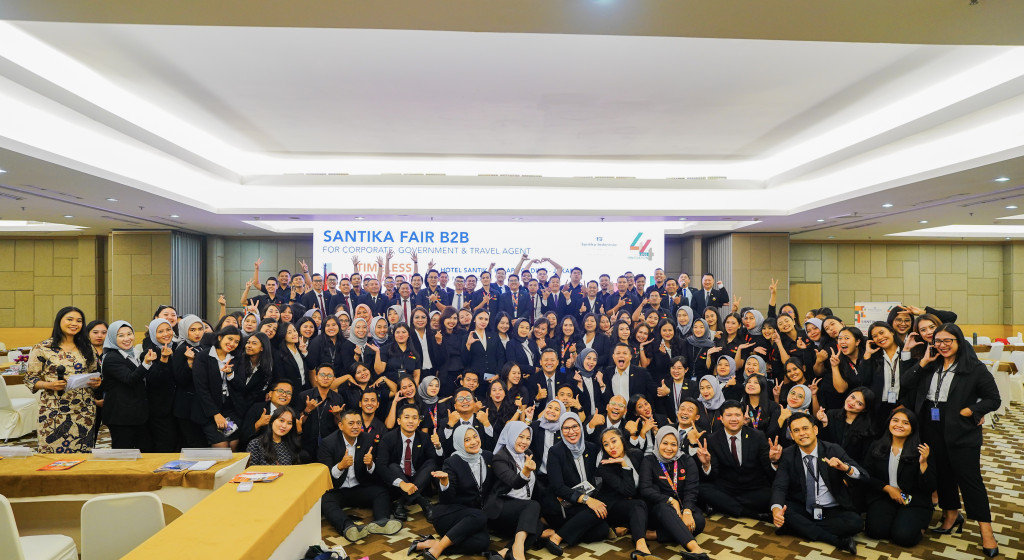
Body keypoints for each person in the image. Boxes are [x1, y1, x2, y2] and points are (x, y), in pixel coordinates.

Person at [902, 323, 1000, 556]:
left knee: (970, 479)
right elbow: (905, 383)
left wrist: (971, 411)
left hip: (960, 428)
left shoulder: (973, 368)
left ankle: (987, 532)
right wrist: (924, 361)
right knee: (942, 474)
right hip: (930, 424)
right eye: (938, 341)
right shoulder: (931, 364)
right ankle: (951, 515)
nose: (943, 345)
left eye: (948, 340)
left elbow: (993, 399)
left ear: (959, 342)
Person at [770, 412, 865, 555]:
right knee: (782, 510)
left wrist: (846, 468)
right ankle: (835, 540)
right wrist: (776, 511)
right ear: (792, 435)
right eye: (796, 430)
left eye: (805, 428)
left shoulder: (832, 450)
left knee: (855, 523)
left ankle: (796, 528)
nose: (802, 433)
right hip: (804, 507)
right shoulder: (788, 454)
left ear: (815, 430)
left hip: (831, 508)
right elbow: (779, 486)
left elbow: (863, 475)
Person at [412, 425, 496, 560]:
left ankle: (432, 544)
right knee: (480, 515)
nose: (473, 442)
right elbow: (447, 500)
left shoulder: (487, 456)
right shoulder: (452, 462)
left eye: (475, 437)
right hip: (450, 515)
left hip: (472, 518)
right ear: (459, 443)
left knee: (483, 542)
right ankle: (438, 549)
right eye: (467, 440)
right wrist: (445, 482)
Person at [25, 307, 102, 452]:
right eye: (70, 319)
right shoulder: (43, 347)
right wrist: (49, 385)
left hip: (84, 410)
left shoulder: (87, 347)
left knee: (82, 452)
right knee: (52, 452)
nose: (74, 324)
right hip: (53, 410)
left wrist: (96, 382)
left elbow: (93, 372)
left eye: (79, 321)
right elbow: (30, 379)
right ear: (59, 321)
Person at [319, 409, 402, 542]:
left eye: (358, 423)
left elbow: (374, 473)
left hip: (358, 487)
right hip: (337, 490)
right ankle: (348, 527)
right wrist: (340, 466)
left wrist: (370, 465)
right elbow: (325, 475)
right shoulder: (328, 443)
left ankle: (382, 521)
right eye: (351, 423)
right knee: (325, 501)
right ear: (341, 425)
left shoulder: (367, 439)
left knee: (381, 492)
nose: (356, 426)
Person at [860, 408, 936, 547]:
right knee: (875, 531)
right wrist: (888, 489)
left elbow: (929, 487)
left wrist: (923, 463)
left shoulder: (921, 451)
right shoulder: (877, 445)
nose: (899, 425)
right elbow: (866, 475)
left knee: (903, 538)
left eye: (905, 423)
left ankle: (919, 524)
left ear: (912, 428)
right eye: (895, 420)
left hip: (912, 499)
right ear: (889, 423)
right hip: (885, 495)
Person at [696, 400, 782, 521]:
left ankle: (723, 506)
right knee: (701, 489)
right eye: (729, 415)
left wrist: (774, 461)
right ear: (721, 418)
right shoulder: (712, 439)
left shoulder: (757, 436)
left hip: (753, 488)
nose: (733, 419)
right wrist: (706, 464)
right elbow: (713, 474)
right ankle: (750, 513)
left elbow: (769, 471)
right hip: (726, 488)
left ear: (743, 417)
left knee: (774, 495)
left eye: (737, 415)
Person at [543, 413, 611, 553]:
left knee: (603, 530)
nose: (571, 431)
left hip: (581, 505)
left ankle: (556, 532)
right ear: (561, 430)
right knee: (594, 513)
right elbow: (558, 487)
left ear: (580, 427)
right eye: (566, 428)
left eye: (575, 426)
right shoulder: (555, 451)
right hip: (561, 504)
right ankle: (556, 538)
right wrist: (588, 500)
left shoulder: (591, 448)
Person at [638, 427, 710, 560]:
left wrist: (687, 511)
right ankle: (696, 549)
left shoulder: (686, 460)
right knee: (665, 509)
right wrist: (670, 500)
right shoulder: (649, 460)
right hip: (658, 508)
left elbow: (691, 489)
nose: (669, 448)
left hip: (681, 507)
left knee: (698, 522)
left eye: (673, 444)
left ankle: (654, 535)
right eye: (665, 443)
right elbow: (645, 489)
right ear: (658, 442)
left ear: (678, 445)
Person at [485, 421, 550, 560]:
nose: (524, 442)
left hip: (522, 511)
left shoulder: (528, 453)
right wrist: (526, 471)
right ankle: (518, 550)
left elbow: (535, 486)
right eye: (520, 437)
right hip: (501, 509)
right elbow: (514, 483)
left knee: (538, 525)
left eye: (528, 438)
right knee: (533, 505)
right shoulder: (499, 458)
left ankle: (504, 552)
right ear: (511, 435)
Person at [596, 428, 659, 558]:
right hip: (613, 505)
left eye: (614, 441)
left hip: (635, 501)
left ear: (622, 440)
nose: (611, 447)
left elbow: (646, 481)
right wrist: (623, 464)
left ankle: (636, 530)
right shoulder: (604, 466)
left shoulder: (636, 454)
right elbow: (628, 491)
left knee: (659, 511)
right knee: (638, 505)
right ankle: (641, 547)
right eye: (606, 444)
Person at [377, 403, 441, 522]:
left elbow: (434, 461)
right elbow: (381, 466)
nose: (411, 421)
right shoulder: (388, 438)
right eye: (407, 417)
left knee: (431, 464)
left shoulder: (424, 437)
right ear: (399, 421)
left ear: (419, 422)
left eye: (414, 418)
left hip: (418, 478)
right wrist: (402, 484)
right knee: (393, 466)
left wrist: (438, 447)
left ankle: (400, 502)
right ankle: (424, 503)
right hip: (398, 481)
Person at [101, 320, 158, 450]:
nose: (127, 338)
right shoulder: (112, 358)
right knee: (123, 453)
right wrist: (146, 363)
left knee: (145, 450)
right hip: (121, 416)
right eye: (121, 335)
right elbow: (130, 379)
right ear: (112, 338)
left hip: (138, 414)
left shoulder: (133, 353)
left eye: (129, 334)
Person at [191, 325, 242, 450]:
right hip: (208, 410)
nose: (232, 344)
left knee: (233, 443)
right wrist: (215, 414)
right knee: (222, 445)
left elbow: (240, 385)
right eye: (229, 339)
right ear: (220, 337)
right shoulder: (203, 356)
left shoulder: (236, 358)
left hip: (229, 409)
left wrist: (230, 374)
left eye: (236, 342)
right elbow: (201, 389)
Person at [238, 378, 296, 450]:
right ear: (270, 394)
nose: (284, 395)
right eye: (280, 391)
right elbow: (243, 436)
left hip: (283, 450)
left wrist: (298, 431)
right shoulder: (257, 408)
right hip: (259, 449)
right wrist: (258, 424)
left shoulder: (293, 413)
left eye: (288, 393)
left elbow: (295, 443)